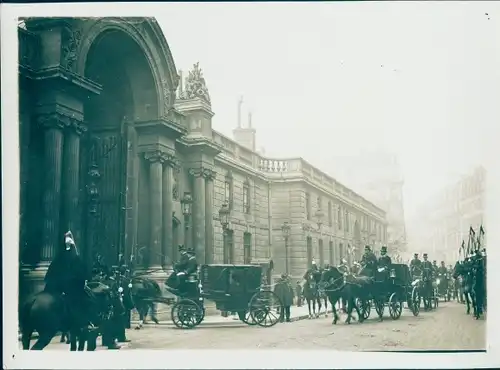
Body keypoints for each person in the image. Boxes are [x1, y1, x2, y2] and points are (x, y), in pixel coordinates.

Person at [44, 231, 96, 332]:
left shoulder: (58, 258)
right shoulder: (75, 259)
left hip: (55, 287)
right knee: (88, 299)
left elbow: (51, 274)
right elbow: (82, 275)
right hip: (70, 289)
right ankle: (86, 323)